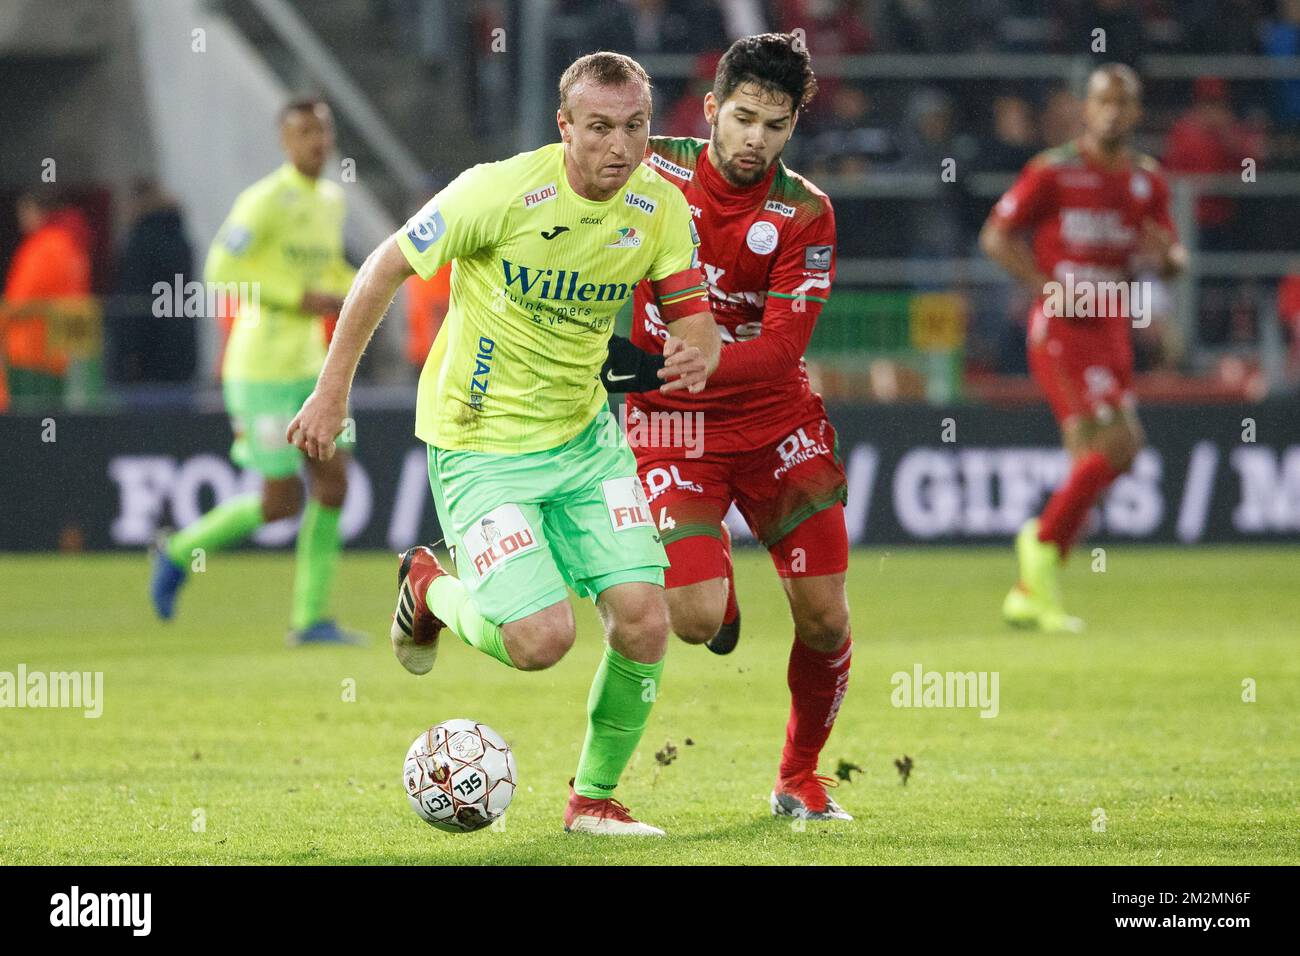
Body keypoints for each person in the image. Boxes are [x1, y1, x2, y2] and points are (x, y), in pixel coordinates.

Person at [286, 52, 720, 835]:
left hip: (586, 441)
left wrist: (696, 348)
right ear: (564, 127)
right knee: (540, 640)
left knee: (645, 620)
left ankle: (593, 802)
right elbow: (384, 267)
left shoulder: (660, 206)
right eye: (598, 128)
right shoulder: (499, 190)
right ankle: (428, 586)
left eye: (635, 128)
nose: (619, 147)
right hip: (479, 442)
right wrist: (331, 390)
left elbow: (692, 315)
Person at [601, 34, 853, 820]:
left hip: (776, 426)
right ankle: (719, 583)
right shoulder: (653, 166)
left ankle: (799, 776)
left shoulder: (805, 213)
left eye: (775, 127)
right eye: (743, 118)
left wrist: (694, 360)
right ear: (711, 109)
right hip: (672, 426)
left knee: (823, 614)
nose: (756, 140)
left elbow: (781, 349)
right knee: (696, 619)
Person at [980, 64, 1187, 633]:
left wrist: (1168, 260)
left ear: (1136, 112)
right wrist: (1043, 286)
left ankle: (1033, 588)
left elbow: (1173, 255)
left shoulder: (1148, 180)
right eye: (1103, 102)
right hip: (1064, 330)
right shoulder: (1054, 172)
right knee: (1120, 445)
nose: (1113, 113)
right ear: (1086, 109)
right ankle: (1040, 546)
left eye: (1123, 103)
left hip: (1112, 328)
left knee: (1099, 461)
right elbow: (996, 235)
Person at [150, 97, 360, 645]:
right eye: (305, 132)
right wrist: (296, 295)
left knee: (334, 483)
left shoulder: (332, 201)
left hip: (315, 370)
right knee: (280, 502)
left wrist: (360, 286)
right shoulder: (264, 201)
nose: (318, 141)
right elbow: (222, 269)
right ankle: (176, 551)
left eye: (323, 130)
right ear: (285, 142)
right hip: (262, 369)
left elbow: (328, 267)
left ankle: (310, 619)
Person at [2, 188, 93, 411]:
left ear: (39, 212)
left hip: (30, 350)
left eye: (24, 212)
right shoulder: (72, 245)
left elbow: (20, 301)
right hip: (62, 351)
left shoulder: (42, 247)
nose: (21, 219)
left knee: (26, 423)